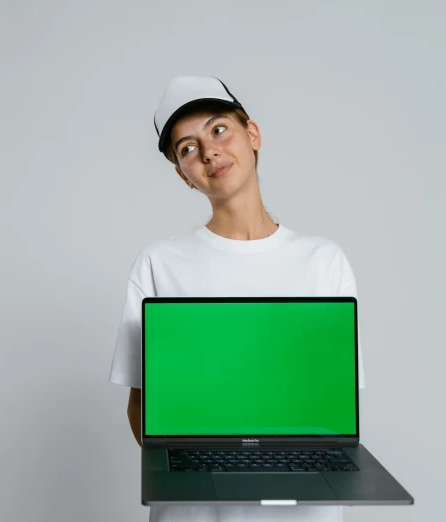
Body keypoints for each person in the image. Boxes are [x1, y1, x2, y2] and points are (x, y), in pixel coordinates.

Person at [108, 76, 366, 522]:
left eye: (218, 129)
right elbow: (140, 406)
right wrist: (196, 467)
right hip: (194, 509)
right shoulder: (159, 264)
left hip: (302, 506)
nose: (208, 151)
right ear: (183, 176)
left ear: (252, 134)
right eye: (187, 148)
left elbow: (335, 405)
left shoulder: (324, 261)